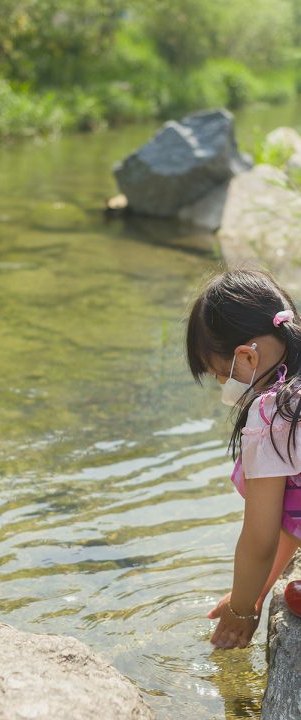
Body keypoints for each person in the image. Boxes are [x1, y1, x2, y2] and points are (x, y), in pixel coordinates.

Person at [186, 268, 301, 650]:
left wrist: (241, 611)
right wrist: (253, 593)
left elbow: (259, 537)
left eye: (222, 375)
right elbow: (292, 518)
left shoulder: (273, 415)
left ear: (247, 356)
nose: (224, 387)